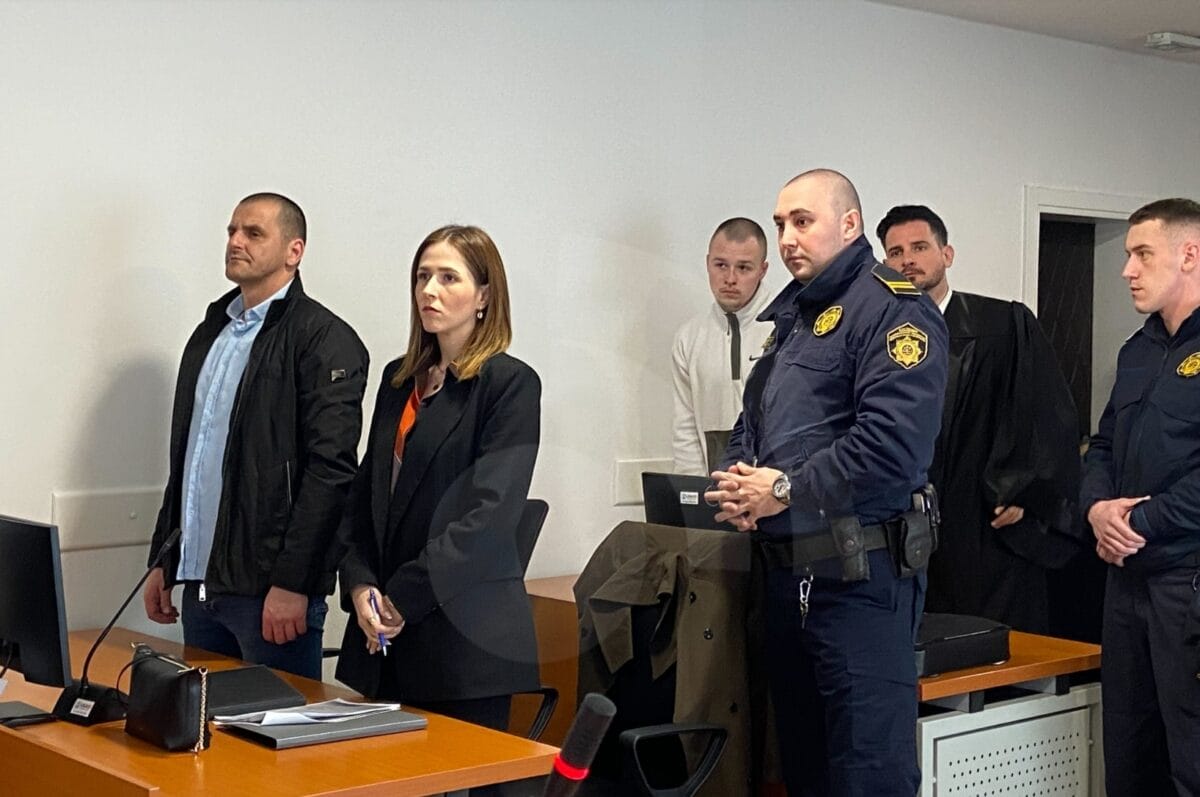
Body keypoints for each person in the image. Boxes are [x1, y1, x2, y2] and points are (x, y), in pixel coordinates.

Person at [706, 170, 947, 796]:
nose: (787, 237)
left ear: (849, 224)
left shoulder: (894, 308)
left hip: (861, 582)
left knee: (868, 776)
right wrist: (740, 485)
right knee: (805, 773)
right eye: (781, 224)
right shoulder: (795, 315)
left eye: (802, 221)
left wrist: (782, 490)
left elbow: (892, 447)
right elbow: (753, 424)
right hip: (788, 578)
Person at [143, 192, 369, 680]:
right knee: (202, 722)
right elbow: (191, 460)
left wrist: (295, 582)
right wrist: (164, 557)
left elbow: (331, 472)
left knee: (273, 727)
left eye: (253, 233)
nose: (236, 242)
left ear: (294, 251)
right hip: (201, 583)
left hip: (271, 593)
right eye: (232, 231)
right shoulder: (212, 332)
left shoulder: (323, 338)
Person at [335, 225, 540, 736]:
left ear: (484, 296)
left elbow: (489, 518)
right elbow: (364, 500)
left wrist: (399, 599)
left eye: (449, 278)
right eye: (422, 276)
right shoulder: (397, 380)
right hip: (384, 641)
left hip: (462, 646)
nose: (429, 290)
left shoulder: (508, 384)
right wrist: (360, 584)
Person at [876, 205, 1080, 633]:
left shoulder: (1002, 325)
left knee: (992, 644)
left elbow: (1044, 415)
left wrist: (1025, 492)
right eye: (895, 252)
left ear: (946, 254)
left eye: (919, 247)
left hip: (983, 523)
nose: (907, 260)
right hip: (902, 527)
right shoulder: (874, 337)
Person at [1082, 197, 1200, 796]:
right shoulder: (1138, 349)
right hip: (1125, 581)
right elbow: (1102, 446)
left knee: (1191, 756)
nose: (1128, 269)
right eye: (1128, 254)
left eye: (1142, 254)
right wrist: (1097, 510)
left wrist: (1140, 521)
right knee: (1128, 752)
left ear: (1189, 255)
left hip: (1187, 581)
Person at [672, 218, 773, 475]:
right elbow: (685, 432)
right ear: (708, 263)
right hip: (714, 489)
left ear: (762, 270)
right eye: (721, 265)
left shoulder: (787, 327)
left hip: (774, 488)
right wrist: (693, 493)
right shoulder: (689, 338)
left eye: (743, 267)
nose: (730, 278)